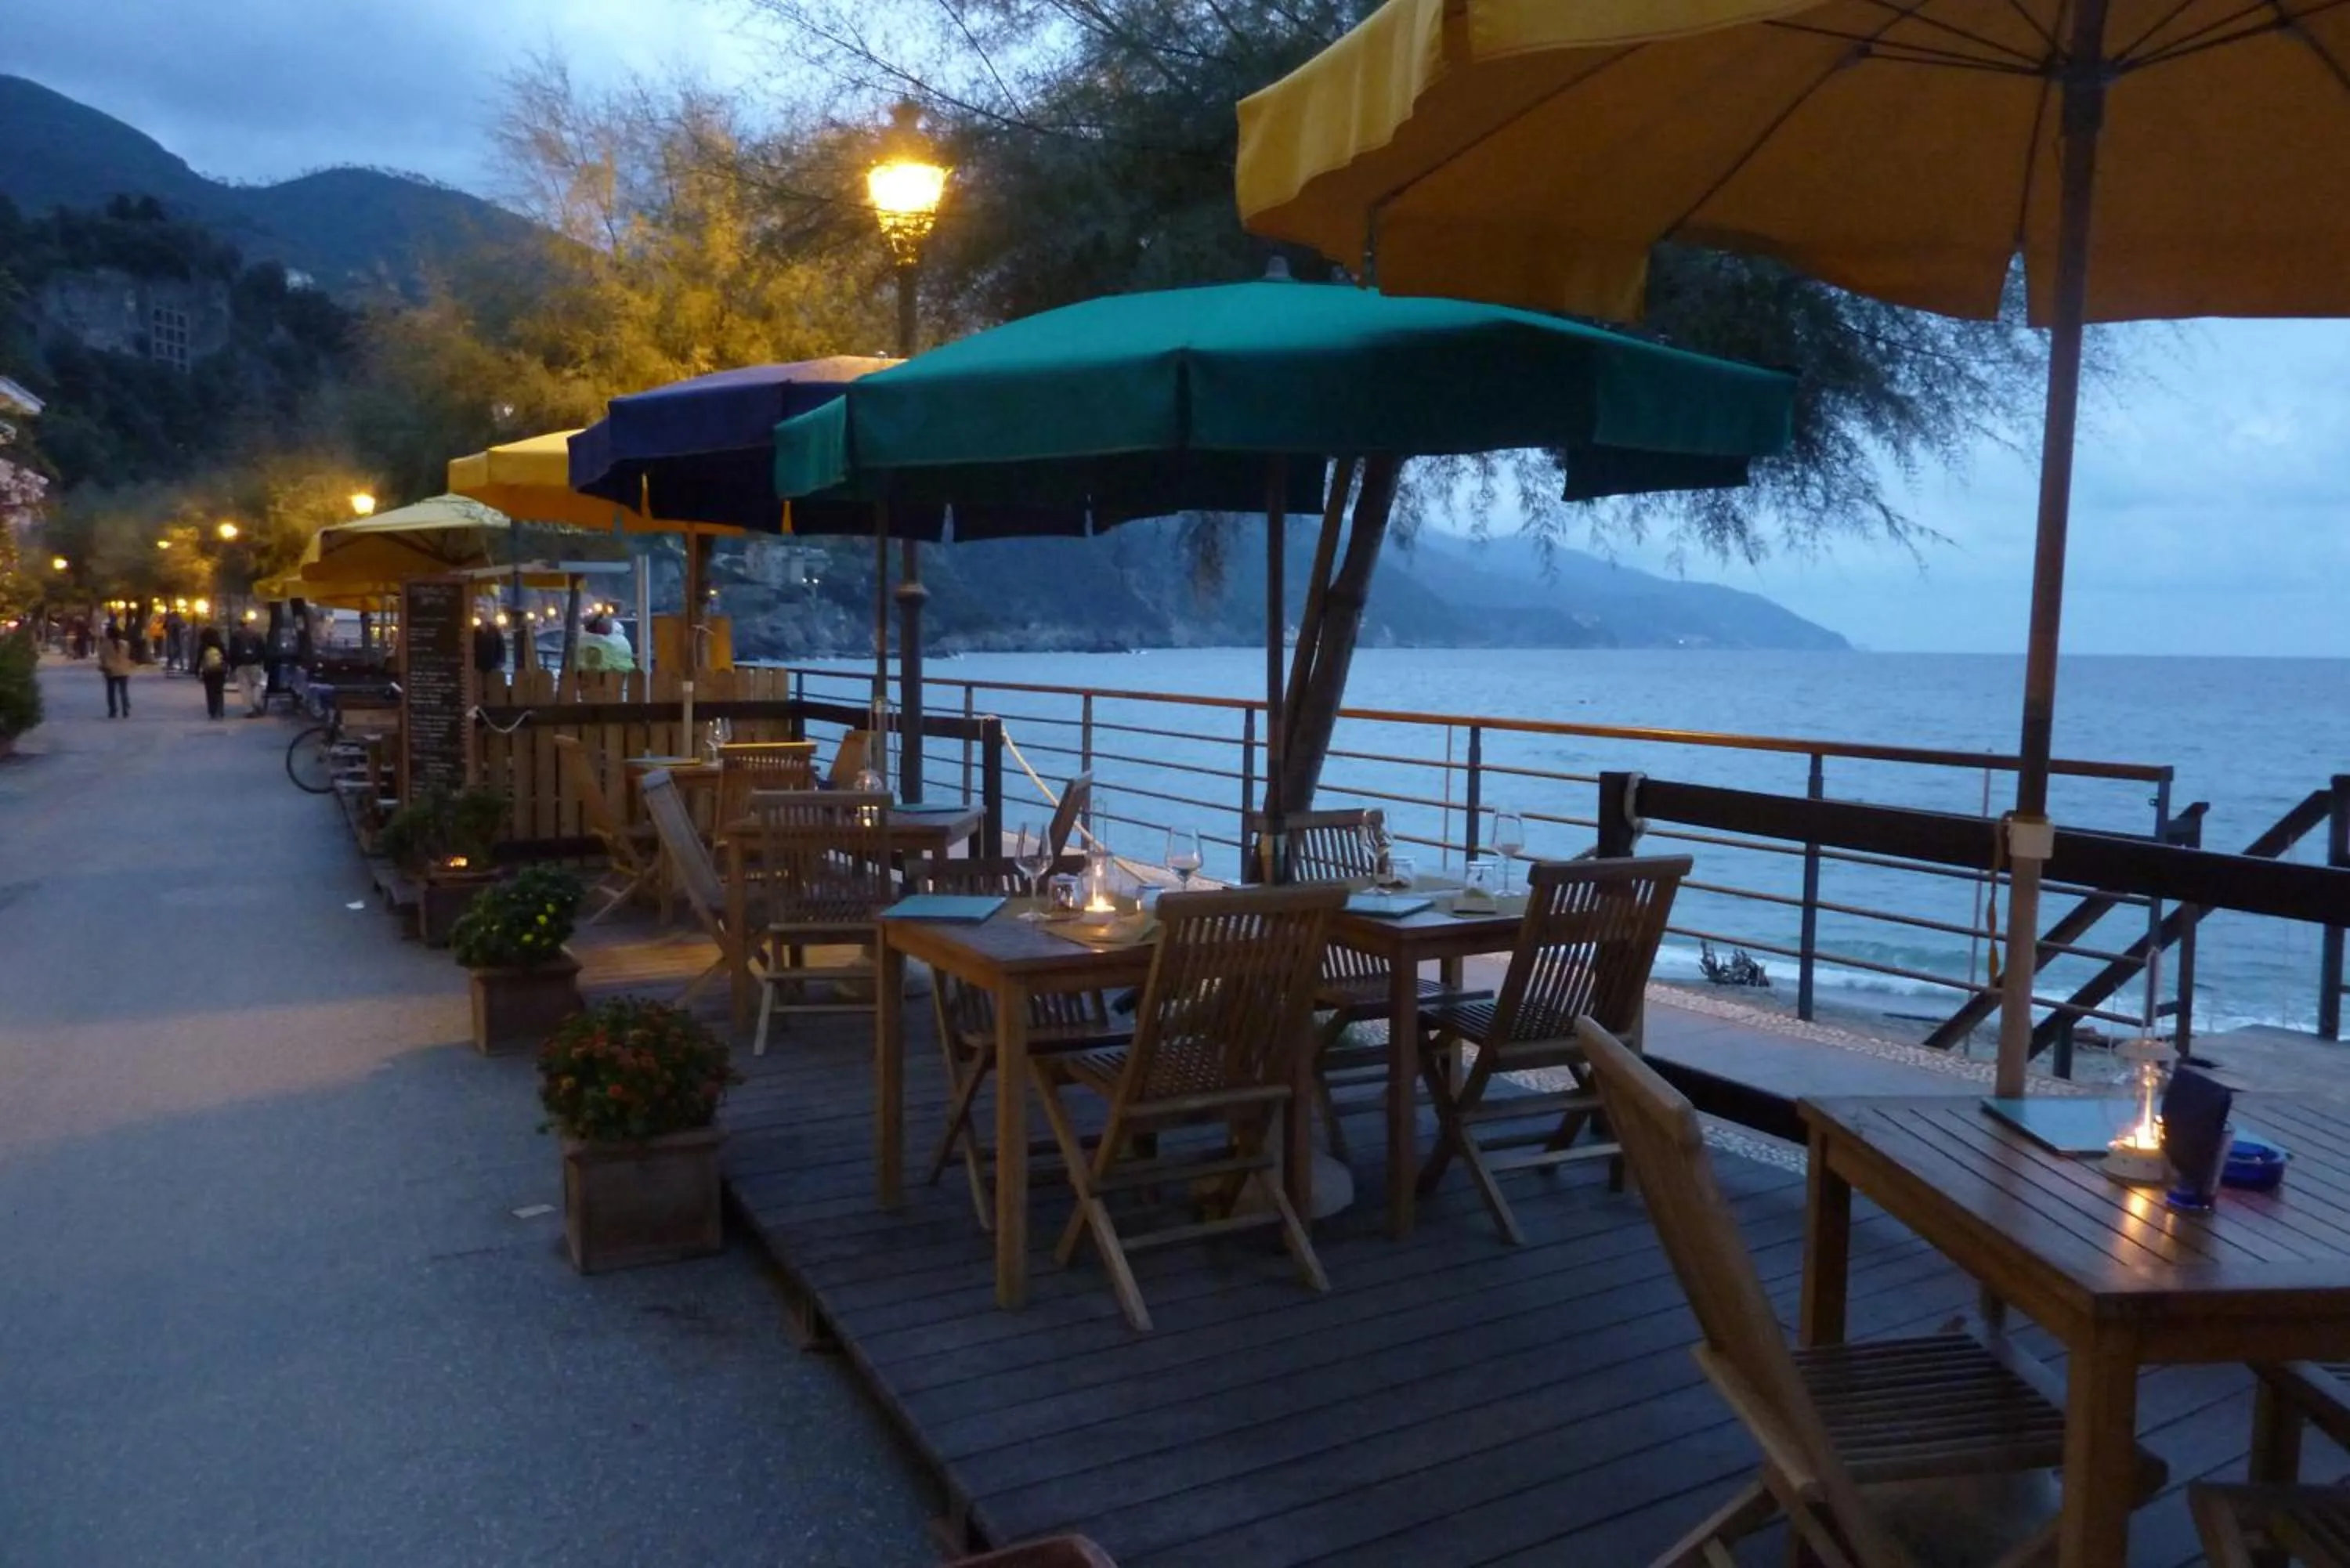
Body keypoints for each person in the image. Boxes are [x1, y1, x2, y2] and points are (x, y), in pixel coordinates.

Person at [227, 620, 268, 717]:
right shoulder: (257, 634)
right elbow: (263, 649)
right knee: (257, 684)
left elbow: (232, 651)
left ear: (239, 625)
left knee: (245, 687)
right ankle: (256, 701)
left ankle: (249, 710)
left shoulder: (235, 636)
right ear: (248, 624)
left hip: (241, 664)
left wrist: (232, 666)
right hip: (255, 664)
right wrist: (262, 661)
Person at [97, 623, 134, 717]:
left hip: (110, 670)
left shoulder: (105, 645)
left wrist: (102, 666)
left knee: (111, 692)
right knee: (123, 691)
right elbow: (129, 656)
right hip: (124, 670)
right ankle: (125, 708)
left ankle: (113, 710)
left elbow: (102, 657)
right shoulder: (125, 644)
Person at [195, 627, 229, 720]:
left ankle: (212, 711)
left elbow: (199, 659)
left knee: (210, 691)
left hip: (208, 671)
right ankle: (220, 710)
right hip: (220, 671)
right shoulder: (220, 645)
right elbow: (226, 657)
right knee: (219, 691)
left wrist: (197, 671)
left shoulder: (203, 646)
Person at [163, 609, 186, 674]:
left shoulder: (172, 620)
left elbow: (165, 627)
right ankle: (174, 663)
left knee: (176, 651)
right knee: (178, 651)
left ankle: (172, 663)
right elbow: (184, 626)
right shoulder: (177, 620)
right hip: (174, 638)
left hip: (174, 638)